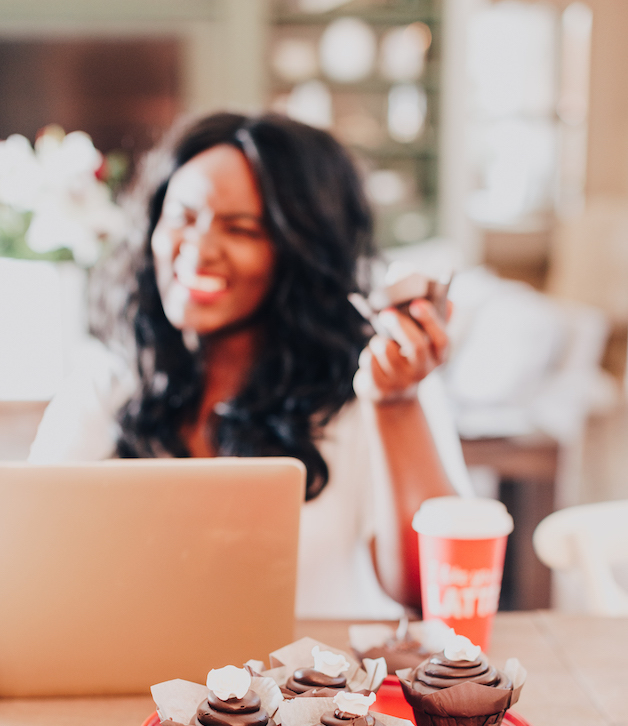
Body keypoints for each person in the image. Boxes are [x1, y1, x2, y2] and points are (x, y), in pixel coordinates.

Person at [29, 112, 471, 618]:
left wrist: (396, 404)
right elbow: (34, 552)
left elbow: (433, 589)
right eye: (182, 218)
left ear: (300, 252)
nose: (197, 249)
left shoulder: (375, 382)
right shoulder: (107, 377)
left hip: (307, 692)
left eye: (240, 229)